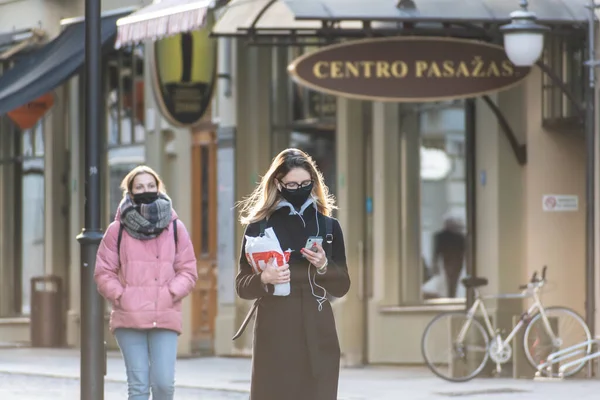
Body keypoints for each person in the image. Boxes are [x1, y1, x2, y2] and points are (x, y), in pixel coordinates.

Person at [235, 148, 351, 400]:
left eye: (305, 183)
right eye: (292, 184)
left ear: (314, 183)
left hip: (317, 327)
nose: (299, 188)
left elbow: (342, 286)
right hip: (276, 328)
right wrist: (264, 279)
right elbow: (242, 286)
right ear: (278, 183)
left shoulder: (329, 226)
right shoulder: (259, 225)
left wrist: (323, 264)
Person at [94, 165, 198, 400]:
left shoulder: (175, 227)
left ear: (159, 188)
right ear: (130, 192)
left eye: (151, 186)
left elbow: (188, 270)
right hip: (128, 317)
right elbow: (103, 273)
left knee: (164, 385)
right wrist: (122, 296)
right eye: (140, 187)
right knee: (139, 386)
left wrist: (171, 292)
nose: (146, 190)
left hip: (165, 314)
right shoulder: (116, 230)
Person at [431, 215, 466, 298]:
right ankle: (451, 295)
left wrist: (435, 263)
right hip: (452, 260)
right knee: (452, 279)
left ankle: (451, 295)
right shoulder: (459, 237)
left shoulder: (457, 237)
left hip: (453, 260)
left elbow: (436, 251)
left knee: (452, 279)